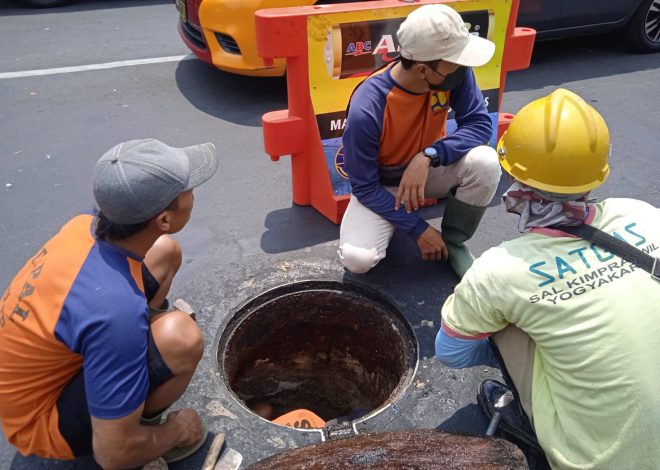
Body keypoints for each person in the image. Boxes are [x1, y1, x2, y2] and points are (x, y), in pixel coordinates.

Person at [435, 89, 660, 468]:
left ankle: (529, 418)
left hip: (595, 460)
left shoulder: (502, 269)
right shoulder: (641, 214)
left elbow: (451, 353)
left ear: (513, 174)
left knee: (507, 319)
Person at [0, 139, 219, 468]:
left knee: (165, 252)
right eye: (188, 189)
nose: (193, 194)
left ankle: (127, 387)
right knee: (181, 339)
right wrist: (177, 430)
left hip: (46, 375)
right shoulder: (117, 311)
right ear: (163, 219)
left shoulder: (83, 226)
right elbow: (112, 455)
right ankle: (136, 430)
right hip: (42, 424)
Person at [338, 4, 502, 278]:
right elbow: (365, 187)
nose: (464, 66)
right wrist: (419, 229)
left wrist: (428, 155)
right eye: (455, 60)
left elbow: (479, 123)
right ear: (423, 69)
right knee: (358, 259)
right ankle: (398, 225)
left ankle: (454, 241)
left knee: (485, 162)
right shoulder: (368, 105)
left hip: (428, 172)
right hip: (383, 186)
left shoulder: (451, 74)